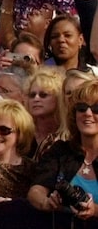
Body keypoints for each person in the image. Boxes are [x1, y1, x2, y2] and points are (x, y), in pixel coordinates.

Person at [29, 80, 98, 220]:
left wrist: (94, 210)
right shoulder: (60, 151)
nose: (88, 113)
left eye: (96, 108)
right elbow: (36, 190)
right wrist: (46, 202)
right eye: (82, 108)